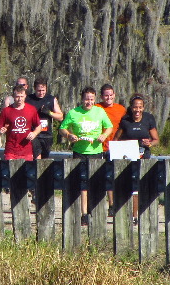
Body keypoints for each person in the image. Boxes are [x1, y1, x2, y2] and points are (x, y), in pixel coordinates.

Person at [59, 86, 113, 225]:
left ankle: (95, 211)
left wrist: (104, 135)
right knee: (82, 184)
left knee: (95, 183)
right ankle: (83, 214)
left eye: (91, 99)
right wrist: (69, 135)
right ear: (81, 99)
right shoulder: (73, 113)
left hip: (96, 152)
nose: (89, 102)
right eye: (86, 99)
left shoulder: (100, 112)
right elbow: (62, 128)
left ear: (95, 99)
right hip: (79, 152)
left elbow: (109, 127)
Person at [113, 94, 160, 223]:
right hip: (128, 158)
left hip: (143, 156)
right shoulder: (125, 120)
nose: (137, 110)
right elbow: (116, 139)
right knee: (131, 186)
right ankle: (132, 215)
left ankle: (141, 213)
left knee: (142, 185)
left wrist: (149, 143)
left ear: (143, 108)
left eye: (140, 107)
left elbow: (156, 139)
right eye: (135, 107)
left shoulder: (149, 119)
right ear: (131, 108)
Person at [0, 85, 42, 160]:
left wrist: (34, 133)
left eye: (22, 96)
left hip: (27, 151)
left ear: (25, 96)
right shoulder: (6, 111)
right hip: (11, 151)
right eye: (17, 96)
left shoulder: (31, 109)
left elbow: (39, 126)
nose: (20, 99)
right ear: (13, 96)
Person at [25, 77, 63, 159]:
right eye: (39, 90)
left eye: (43, 90)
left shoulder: (51, 99)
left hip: (46, 135)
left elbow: (60, 117)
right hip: (34, 134)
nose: (41, 93)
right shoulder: (28, 99)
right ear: (34, 88)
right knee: (37, 155)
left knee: (45, 158)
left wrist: (49, 113)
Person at [96, 84, 127, 160]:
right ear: (101, 97)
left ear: (114, 95)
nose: (109, 97)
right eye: (106, 95)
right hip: (100, 146)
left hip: (117, 146)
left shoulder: (121, 109)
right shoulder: (96, 108)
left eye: (111, 95)